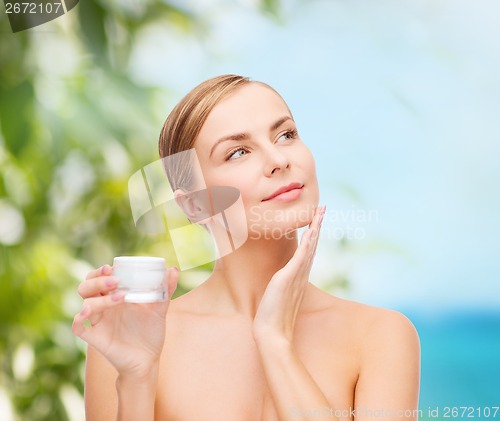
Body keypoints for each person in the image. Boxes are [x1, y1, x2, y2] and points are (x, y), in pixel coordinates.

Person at [72, 74, 420, 421]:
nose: (279, 160)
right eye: (238, 152)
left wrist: (275, 342)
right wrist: (137, 377)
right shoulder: (129, 341)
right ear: (194, 206)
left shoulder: (381, 337)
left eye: (286, 135)